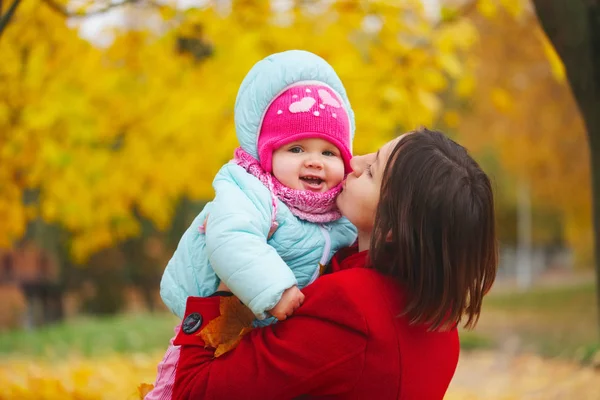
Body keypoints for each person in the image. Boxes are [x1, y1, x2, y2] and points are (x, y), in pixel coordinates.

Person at [169, 128, 498, 399]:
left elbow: (193, 392)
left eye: (371, 172)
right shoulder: (440, 321)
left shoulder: (352, 306)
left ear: (395, 227)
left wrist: (229, 275)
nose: (354, 161)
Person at [145, 50, 357, 399]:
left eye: (329, 152)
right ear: (268, 154)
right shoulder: (252, 190)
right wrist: (276, 289)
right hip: (221, 324)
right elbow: (232, 236)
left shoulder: (338, 210)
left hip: (270, 336)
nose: (315, 162)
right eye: (297, 149)